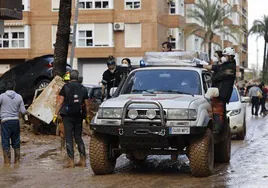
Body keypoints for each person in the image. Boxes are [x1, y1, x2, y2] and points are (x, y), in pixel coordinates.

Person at [53, 70, 91, 168]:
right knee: (78, 137)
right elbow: (87, 104)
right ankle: (83, 161)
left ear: (69, 78)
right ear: (78, 78)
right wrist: (87, 116)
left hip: (67, 116)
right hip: (79, 116)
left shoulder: (65, 87)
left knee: (69, 138)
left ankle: (71, 162)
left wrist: (55, 115)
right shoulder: (83, 88)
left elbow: (60, 102)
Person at [197, 47, 236, 132]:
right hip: (218, 92)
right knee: (216, 111)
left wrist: (212, 77)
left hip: (222, 93)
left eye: (225, 55)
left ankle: (217, 131)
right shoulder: (224, 65)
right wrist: (201, 65)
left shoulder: (231, 67)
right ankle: (219, 129)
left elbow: (219, 76)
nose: (223, 57)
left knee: (218, 111)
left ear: (230, 56)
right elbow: (214, 67)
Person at [0, 80, 27, 165]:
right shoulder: (19, 97)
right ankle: (17, 162)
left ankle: (7, 163)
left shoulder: (1, 96)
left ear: (5, 87)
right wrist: (28, 112)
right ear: (14, 87)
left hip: (5, 122)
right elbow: (23, 111)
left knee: (5, 141)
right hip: (15, 121)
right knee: (16, 141)